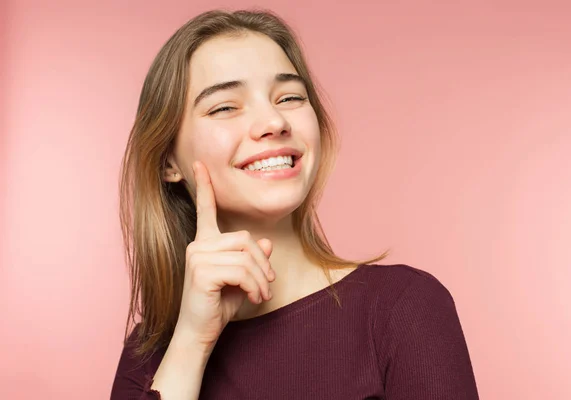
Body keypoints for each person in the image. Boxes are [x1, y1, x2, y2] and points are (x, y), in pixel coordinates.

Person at [110, 8, 479, 400]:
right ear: (168, 161)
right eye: (225, 107)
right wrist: (190, 344)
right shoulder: (149, 357)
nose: (273, 120)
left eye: (289, 97)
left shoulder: (404, 308)